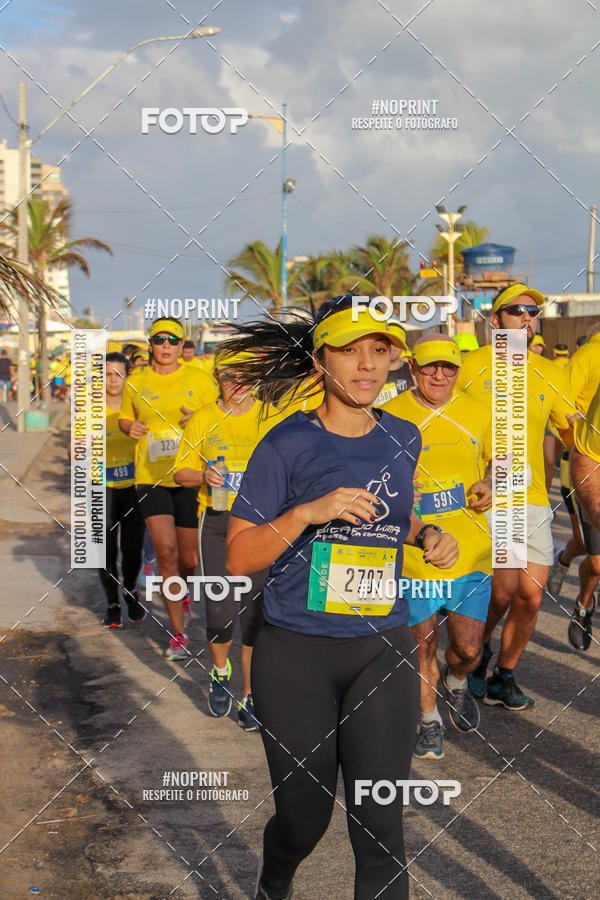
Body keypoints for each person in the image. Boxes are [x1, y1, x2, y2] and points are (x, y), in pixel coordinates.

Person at [224, 296, 459, 900]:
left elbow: (393, 515)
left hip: (382, 649)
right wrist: (308, 512)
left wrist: (427, 534)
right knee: (304, 818)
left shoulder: (403, 436)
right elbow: (240, 556)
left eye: (379, 350)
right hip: (296, 654)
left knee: (381, 828)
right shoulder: (285, 443)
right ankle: (275, 878)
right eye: (349, 351)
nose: (367, 365)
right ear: (319, 361)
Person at [458, 283, 574, 709]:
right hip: (487, 496)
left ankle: (503, 675)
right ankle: (477, 652)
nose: (527, 317)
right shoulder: (471, 366)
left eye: (533, 312)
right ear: (495, 320)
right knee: (502, 591)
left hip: (532, 496)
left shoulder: (550, 372)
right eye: (517, 310)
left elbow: (571, 430)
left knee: (531, 595)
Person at [384, 334, 492, 760]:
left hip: (471, 551)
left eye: (449, 367)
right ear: (412, 367)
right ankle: (428, 720)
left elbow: (504, 462)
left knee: (468, 649)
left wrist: (491, 483)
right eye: (430, 366)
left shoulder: (478, 411)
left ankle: (458, 679)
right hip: (415, 553)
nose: (440, 374)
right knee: (421, 644)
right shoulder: (390, 415)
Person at [174, 350, 276, 728]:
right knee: (219, 610)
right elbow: (180, 472)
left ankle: (250, 695)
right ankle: (220, 672)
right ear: (218, 378)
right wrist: (203, 476)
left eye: (247, 375)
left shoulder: (271, 416)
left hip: (260, 524)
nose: (239, 384)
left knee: (254, 613)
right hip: (217, 522)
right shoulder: (203, 418)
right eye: (231, 376)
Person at [119, 317, 218, 660]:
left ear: (181, 345)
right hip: (150, 476)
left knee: (189, 559)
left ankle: (182, 592)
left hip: (189, 475)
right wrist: (130, 427)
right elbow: (124, 416)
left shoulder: (199, 378)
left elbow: (218, 415)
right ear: (150, 344)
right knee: (165, 552)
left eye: (173, 340)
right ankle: (179, 634)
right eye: (159, 339)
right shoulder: (136, 381)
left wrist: (199, 420)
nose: (166, 345)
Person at [550, 323, 600, 651]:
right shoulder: (589, 354)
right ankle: (582, 603)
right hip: (586, 464)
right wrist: (573, 438)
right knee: (592, 555)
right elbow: (559, 404)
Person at [101, 352, 146, 627]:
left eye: (119, 374)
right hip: (101, 489)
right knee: (104, 550)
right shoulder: (90, 410)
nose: (113, 380)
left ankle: (130, 591)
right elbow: (74, 448)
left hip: (133, 487)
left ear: (127, 376)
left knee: (132, 549)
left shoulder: (137, 406)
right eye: (107, 374)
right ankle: (112, 603)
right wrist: (76, 449)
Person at [373, 320, 414, 405]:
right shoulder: (370, 370)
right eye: (389, 342)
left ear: (403, 347)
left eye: (397, 343)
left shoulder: (412, 370)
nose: (392, 347)